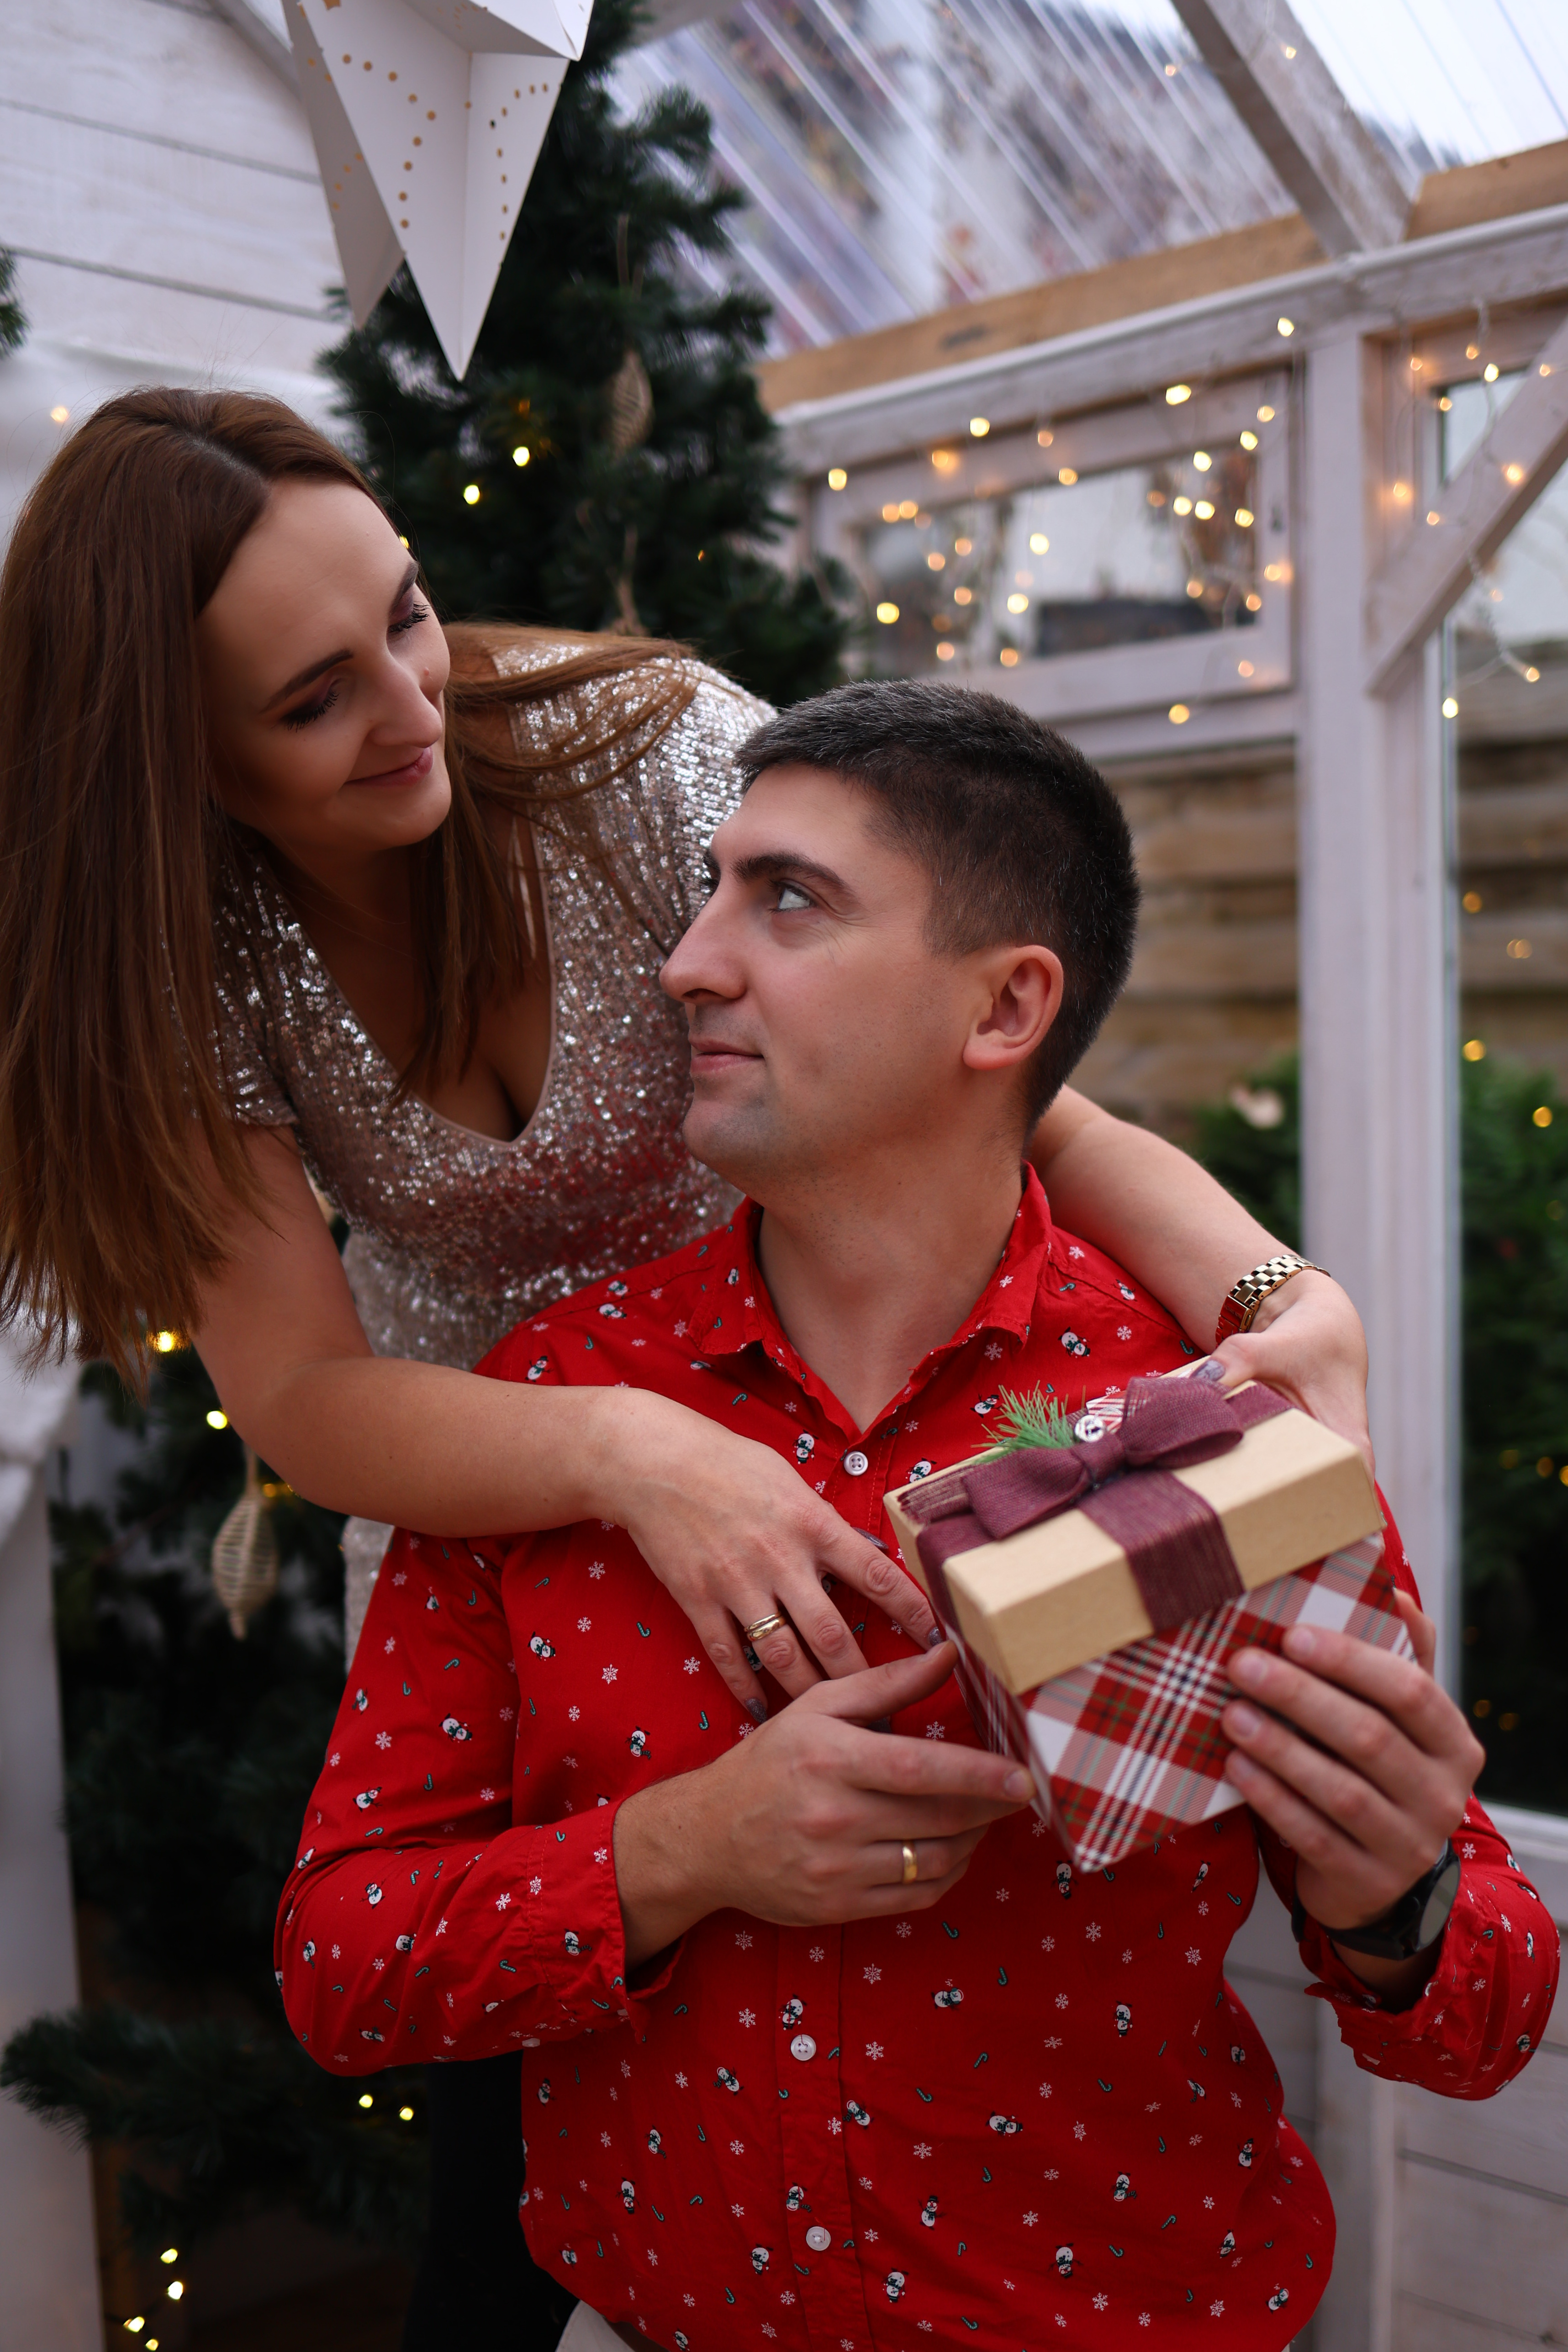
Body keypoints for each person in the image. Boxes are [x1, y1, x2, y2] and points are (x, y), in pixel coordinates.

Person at [0, 390, 1363, 2342]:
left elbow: (1011, 1085)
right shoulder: (176, 949)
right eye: (311, 701)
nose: (408, 702)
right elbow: (297, 1399)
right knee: (524, 2126)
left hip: (840, 1421)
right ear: (178, 766)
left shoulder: (641, 757)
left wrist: (1275, 1300)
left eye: (408, 611)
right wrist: (634, 1450)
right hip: (486, 1505)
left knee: (935, 2007)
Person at [277, 682, 1554, 2352]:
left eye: (788, 900)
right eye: (710, 890)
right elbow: (340, 1965)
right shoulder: (548, 1404)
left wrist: (1393, 1903)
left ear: (1005, 1004)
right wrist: (681, 1853)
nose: (685, 964)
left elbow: (1478, 2019)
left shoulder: (1220, 1423)